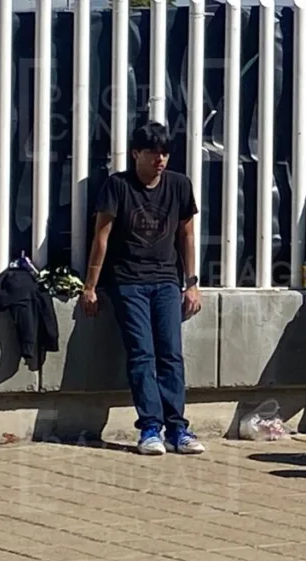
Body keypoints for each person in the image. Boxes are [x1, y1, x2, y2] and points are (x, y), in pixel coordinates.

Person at [80, 121, 204, 456]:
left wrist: (191, 283)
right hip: (128, 280)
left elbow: (187, 235)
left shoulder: (179, 185)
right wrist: (90, 286)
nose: (160, 159)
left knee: (171, 354)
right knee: (142, 353)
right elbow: (101, 238)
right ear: (136, 153)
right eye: (152, 152)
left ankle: (178, 428)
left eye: (164, 152)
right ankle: (150, 427)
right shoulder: (117, 186)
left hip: (166, 280)